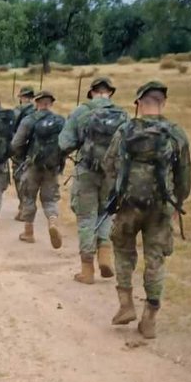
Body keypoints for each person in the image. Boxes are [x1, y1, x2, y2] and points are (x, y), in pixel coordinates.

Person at [102, 81, 191, 338]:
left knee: (122, 250)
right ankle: (150, 318)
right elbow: (184, 174)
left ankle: (126, 304)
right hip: (161, 207)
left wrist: (115, 193)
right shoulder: (176, 133)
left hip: (129, 204)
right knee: (155, 259)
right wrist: (178, 202)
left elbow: (109, 165)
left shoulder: (125, 130)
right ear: (163, 103)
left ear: (139, 103)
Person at [58, 75, 127, 283]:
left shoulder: (82, 111)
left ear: (92, 91)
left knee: (86, 218)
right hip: (112, 174)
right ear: (110, 93)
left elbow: (64, 143)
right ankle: (105, 253)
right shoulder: (122, 115)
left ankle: (87, 270)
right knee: (106, 213)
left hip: (87, 172)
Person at [10, 89, 65, 248]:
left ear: (37, 102)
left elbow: (16, 143)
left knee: (29, 196)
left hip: (33, 165)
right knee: (49, 199)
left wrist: (21, 155)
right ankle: (52, 222)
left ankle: (28, 232)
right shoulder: (60, 121)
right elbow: (67, 143)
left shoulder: (29, 120)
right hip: (52, 166)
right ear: (51, 103)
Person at [11, 85, 36, 218]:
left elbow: (11, 128)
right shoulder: (38, 110)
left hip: (20, 149)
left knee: (18, 176)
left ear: (21, 97)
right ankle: (29, 205)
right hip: (34, 150)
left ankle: (23, 206)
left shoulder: (17, 111)